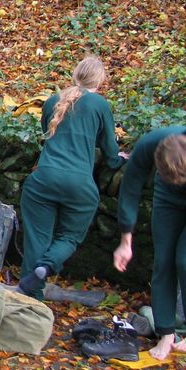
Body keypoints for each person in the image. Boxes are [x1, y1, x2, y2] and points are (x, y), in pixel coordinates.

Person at [18, 56, 126, 298]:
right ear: (100, 80)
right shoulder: (99, 105)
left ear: (75, 74)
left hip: (42, 180)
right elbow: (110, 152)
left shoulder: (53, 101)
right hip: (80, 185)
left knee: (37, 238)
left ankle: (30, 296)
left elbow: (48, 132)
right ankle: (45, 267)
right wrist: (120, 160)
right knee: (68, 236)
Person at [113, 128, 186, 360]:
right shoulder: (149, 145)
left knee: (184, 260)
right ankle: (166, 334)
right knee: (163, 260)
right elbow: (130, 188)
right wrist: (126, 241)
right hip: (167, 197)